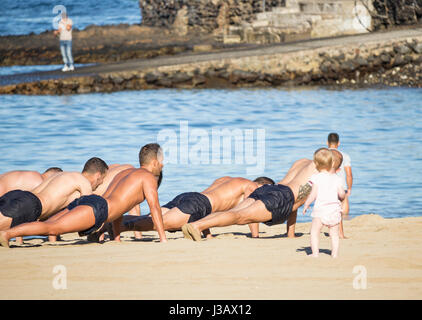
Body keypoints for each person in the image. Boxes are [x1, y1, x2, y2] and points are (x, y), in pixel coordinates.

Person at [0, 144, 167, 248]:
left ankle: (9, 232)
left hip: (94, 202)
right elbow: (154, 207)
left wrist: (116, 238)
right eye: (161, 161)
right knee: (53, 227)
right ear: (153, 163)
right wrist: (162, 238)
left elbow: (119, 209)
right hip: (98, 209)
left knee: (51, 223)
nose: (163, 164)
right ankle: (7, 234)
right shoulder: (148, 178)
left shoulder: (127, 173)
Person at [181, 148, 343, 242]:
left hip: (271, 189)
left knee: (235, 212)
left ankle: (197, 223)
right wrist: (340, 234)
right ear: (333, 164)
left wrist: (290, 234)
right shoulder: (325, 173)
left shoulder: (302, 162)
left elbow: (295, 198)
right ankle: (197, 226)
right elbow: (330, 203)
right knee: (240, 217)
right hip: (280, 198)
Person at [116, 176, 275, 240]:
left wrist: (208, 234)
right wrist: (255, 236)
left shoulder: (227, 180)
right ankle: (121, 227)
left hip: (189, 197)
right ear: (264, 185)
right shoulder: (252, 186)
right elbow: (248, 213)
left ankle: (113, 223)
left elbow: (209, 207)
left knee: (151, 218)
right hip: (197, 204)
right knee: (160, 224)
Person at [0, 158, 107, 234]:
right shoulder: (83, 182)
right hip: (30, 205)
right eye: (102, 180)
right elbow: (87, 209)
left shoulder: (62, 175)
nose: (100, 184)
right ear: (98, 175)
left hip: (19, 195)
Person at [0, 167, 63, 244]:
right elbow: (23, 213)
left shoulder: (33, 175)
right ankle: (18, 240)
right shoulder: (40, 182)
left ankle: (16, 239)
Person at [302, 148, 345, 258]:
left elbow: (313, 194)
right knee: (334, 234)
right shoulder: (337, 178)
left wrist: (307, 203)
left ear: (316, 164)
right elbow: (341, 194)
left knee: (315, 231)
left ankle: (315, 253)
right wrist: (341, 197)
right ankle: (334, 254)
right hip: (334, 210)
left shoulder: (316, 177)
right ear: (331, 163)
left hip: (321, 210)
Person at [93, 163, 142, 241]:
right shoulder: (133, 175)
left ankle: (102, 233)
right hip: (99, 201)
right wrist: (138, 236)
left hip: (91, 194)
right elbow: (133, 209)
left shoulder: (118, 166)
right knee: (128, 202)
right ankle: (103, 234)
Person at [327, 132, 353, 239]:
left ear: (327, 142)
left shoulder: (323, 154)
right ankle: (342, 231)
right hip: (341, 185)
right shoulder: (345, 155)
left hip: (327, 185)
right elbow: (349, 174)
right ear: (338, 143)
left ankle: (331, 230)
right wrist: (349, 188)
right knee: (342, 207)